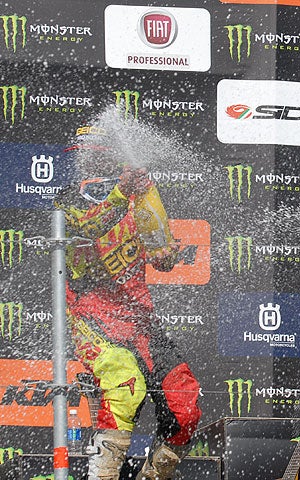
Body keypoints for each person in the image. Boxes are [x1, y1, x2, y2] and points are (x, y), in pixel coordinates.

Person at [53, 125, 202, 480]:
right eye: (84, 156)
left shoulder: (139, 192)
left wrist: (164, 240)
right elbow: (91, 227)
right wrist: (122, 191)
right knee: (125, 387)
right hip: (94, 322)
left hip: (141, 323)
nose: (89, 164)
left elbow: (162, 257)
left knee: (184, 407)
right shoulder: (68, 200)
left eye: (97, 154)